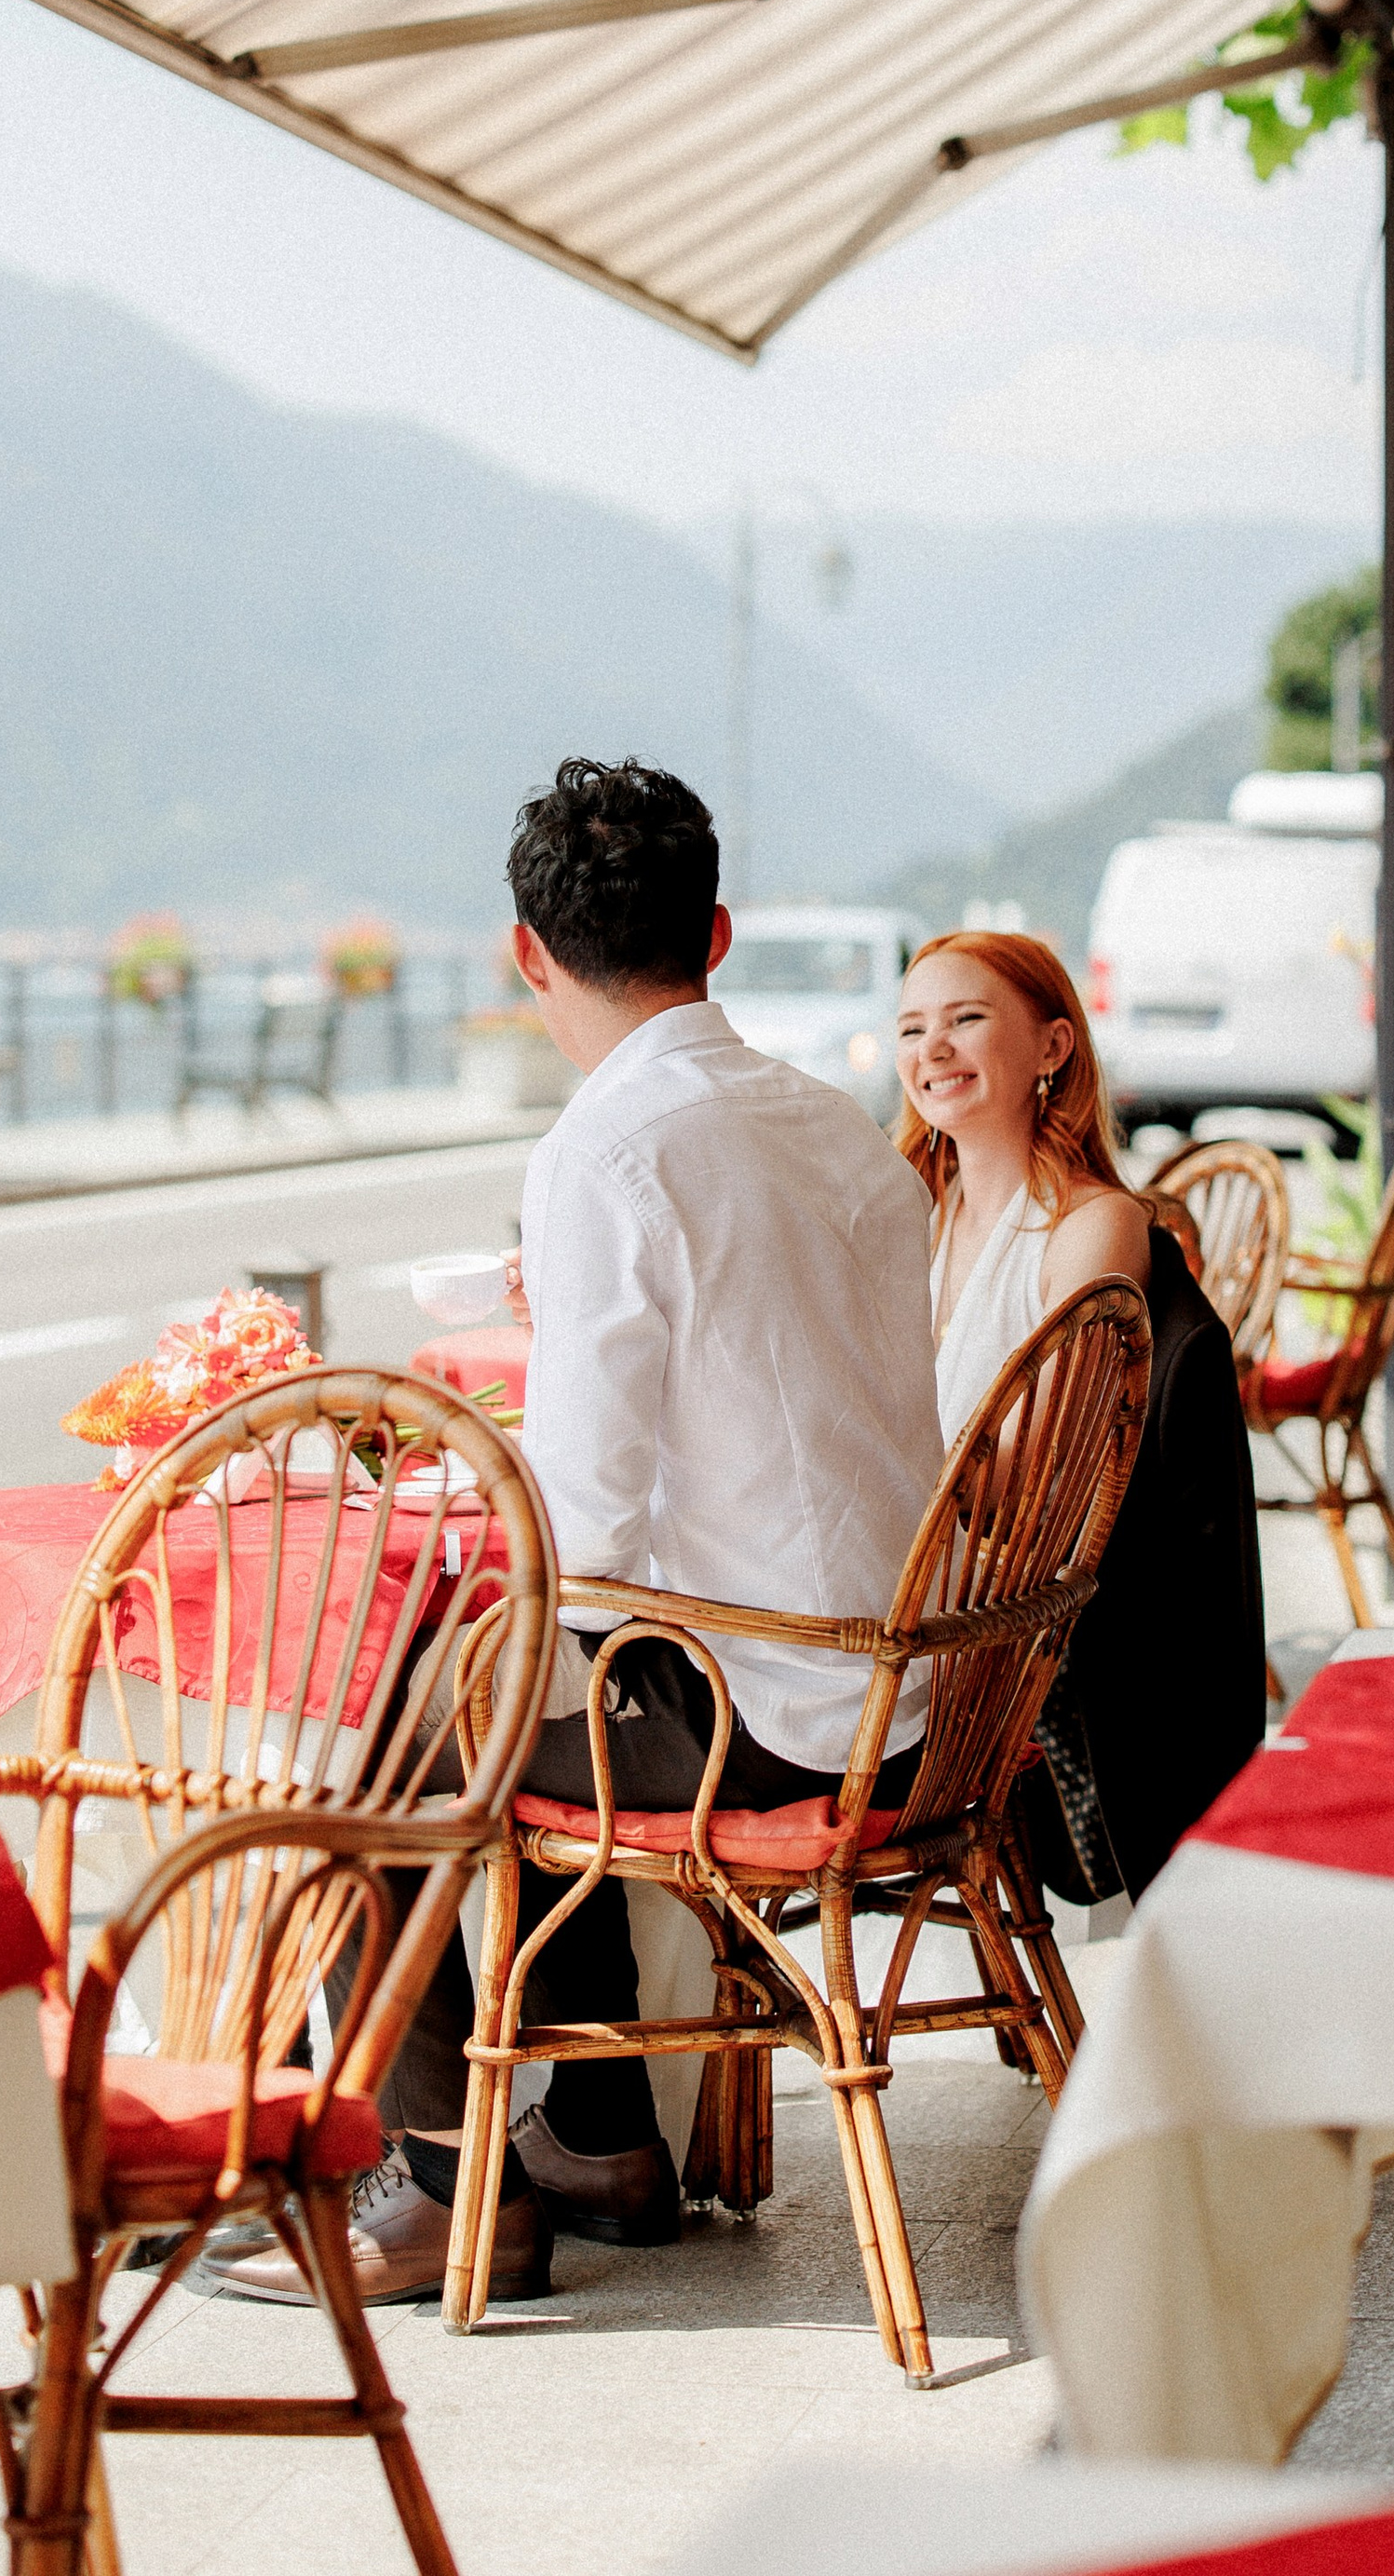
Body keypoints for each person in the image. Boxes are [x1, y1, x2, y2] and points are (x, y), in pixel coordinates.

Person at [216, 757, 944, 2309]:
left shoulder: (608, 1152)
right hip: (925, 1688)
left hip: (789, 1722)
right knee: (512, 1682)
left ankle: (437, 2186)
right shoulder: (837, 1128)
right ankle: (602, 2138)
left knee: (388, 1740)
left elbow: (588, 1535)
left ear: (527, 955)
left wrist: (434, 1493)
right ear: (721, 933)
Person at [894, 929, 1265, 1905]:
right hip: (906, 1566)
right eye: (911, 1029)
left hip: (976, 1626)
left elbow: (1033, 1475)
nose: (931, 1049)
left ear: (1053, 1047)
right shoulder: (908, 1218)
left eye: (966, 1020)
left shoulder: (1090, 1224)